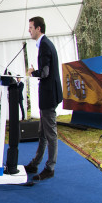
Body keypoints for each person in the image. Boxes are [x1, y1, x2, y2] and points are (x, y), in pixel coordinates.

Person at [25, 16, 63, 181]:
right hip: (47, 95)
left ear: (39, 28)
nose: (29, 30)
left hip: (48, 96)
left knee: (50, 133)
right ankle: (35, 163)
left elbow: (45, 73)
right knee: (42, 133)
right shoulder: (45, 44)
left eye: (31, 27)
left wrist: (32, 72)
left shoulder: (45, 46)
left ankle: (50, 168)